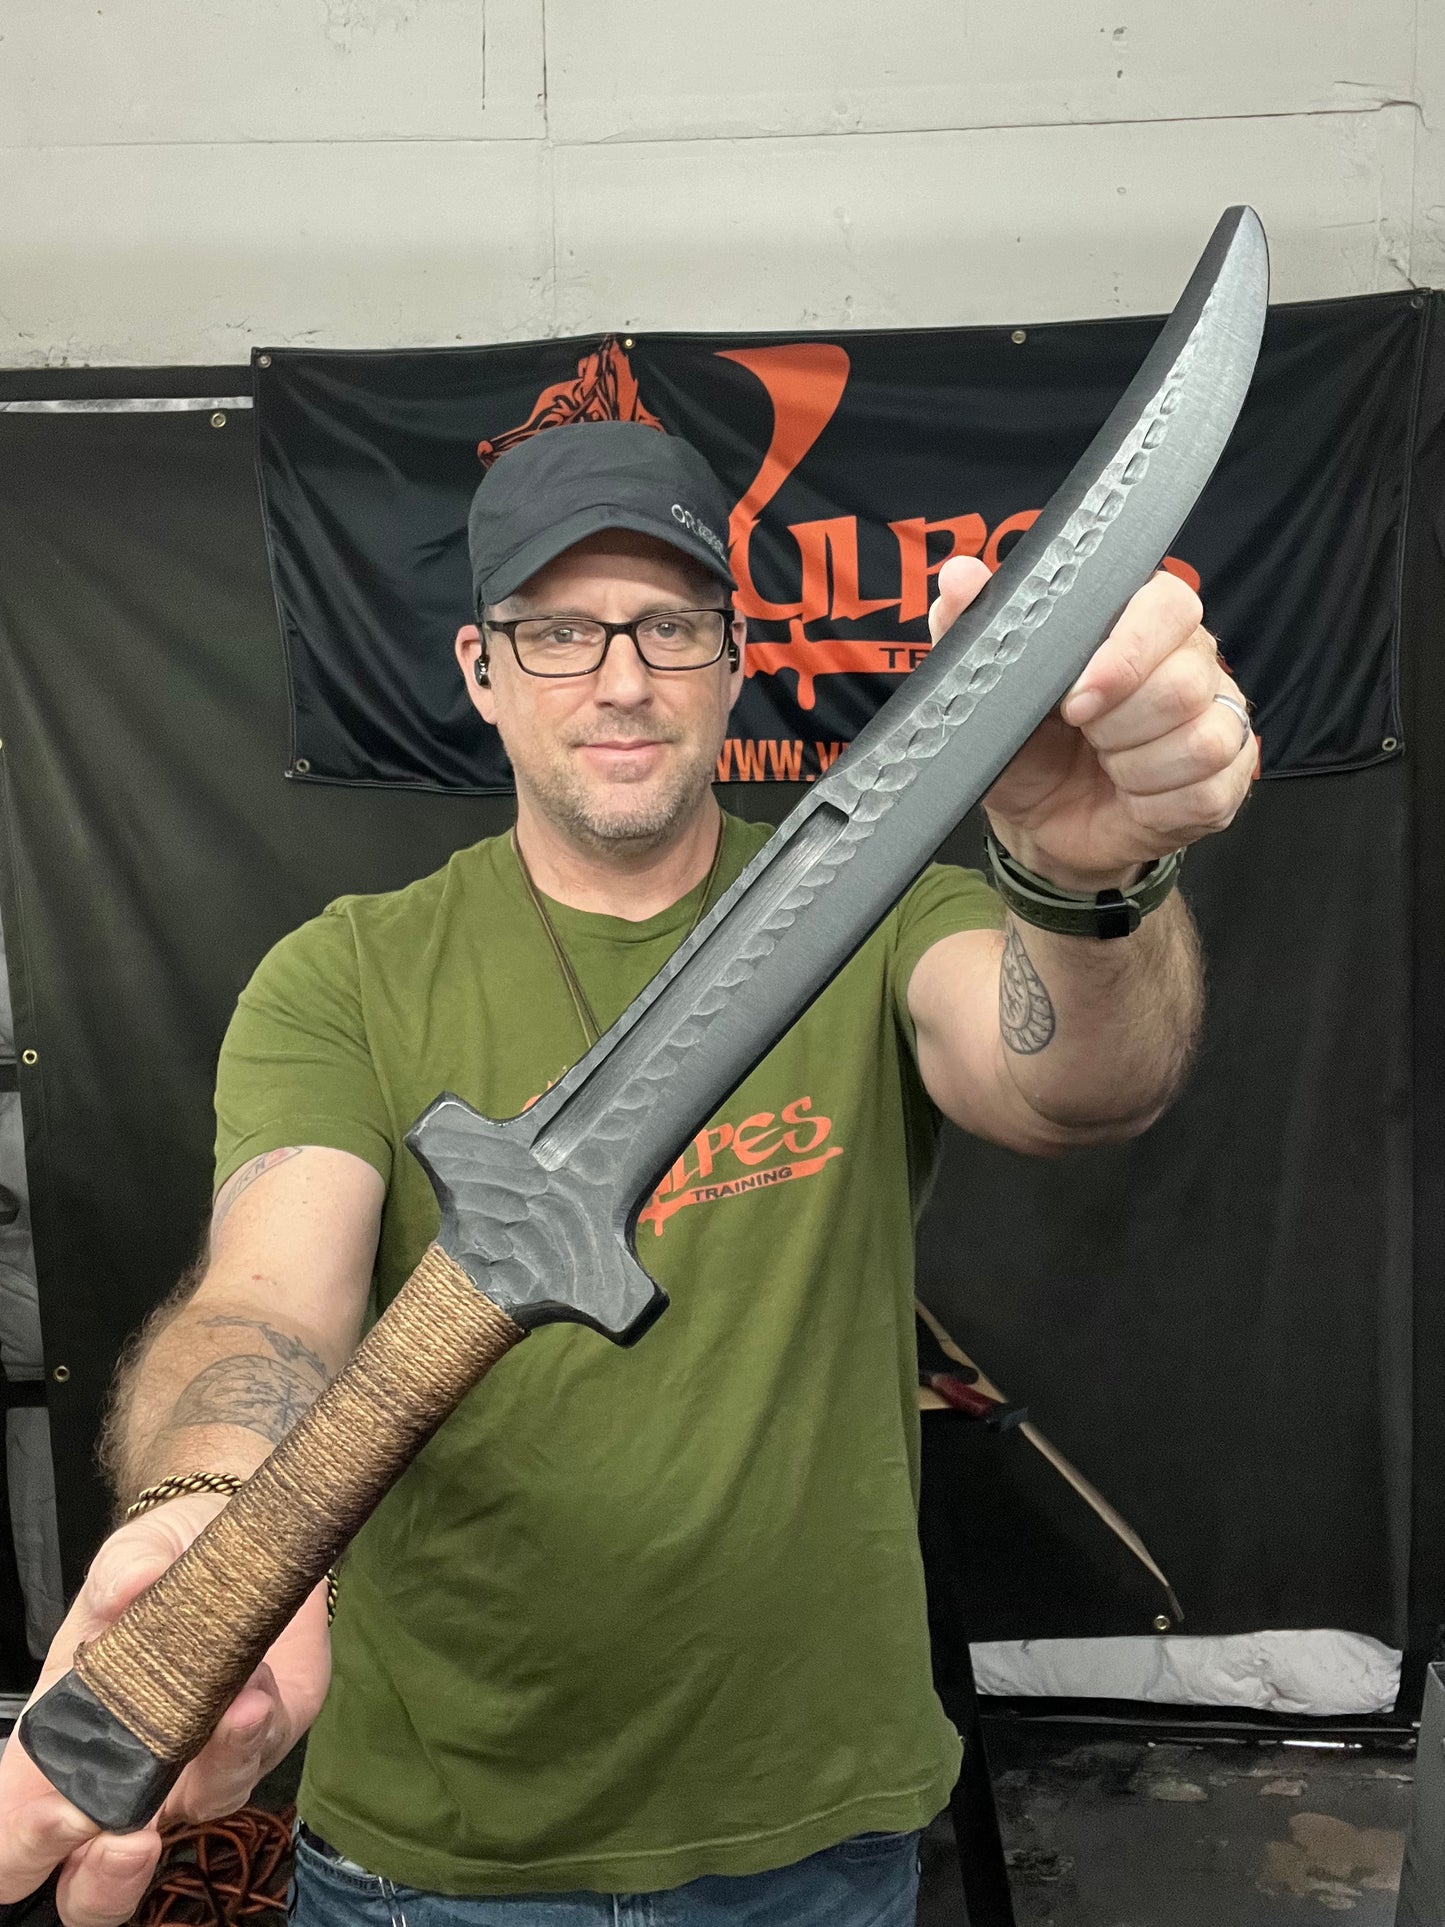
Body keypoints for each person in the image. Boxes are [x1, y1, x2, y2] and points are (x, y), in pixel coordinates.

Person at [0, 421, 1257, 1927]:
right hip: (432, 1859)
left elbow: (1083, 1087)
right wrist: (212, 1504)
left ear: (734, 661)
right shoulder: (346, 978)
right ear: (481, 668)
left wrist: (1083, 879)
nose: (620, 677)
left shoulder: (874, 920)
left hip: (808, 1831)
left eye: (670, 625)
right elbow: (267, 1300)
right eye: (558, 631)